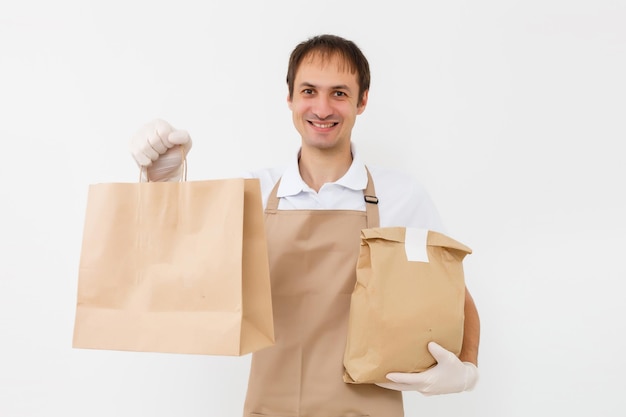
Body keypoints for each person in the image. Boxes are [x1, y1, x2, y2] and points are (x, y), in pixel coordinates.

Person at [129, 34, 480, 417]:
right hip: (271, 407)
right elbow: (181, 267)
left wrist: (466, 369)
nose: (322, 107)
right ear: (291, 98)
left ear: (362, 101)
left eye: (340, 94)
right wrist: (161, 186)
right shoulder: (254, 190)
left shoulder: (403, 196)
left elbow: (455, 297)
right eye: (309, 90)